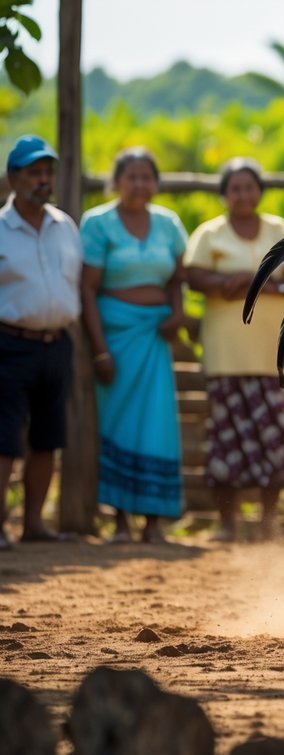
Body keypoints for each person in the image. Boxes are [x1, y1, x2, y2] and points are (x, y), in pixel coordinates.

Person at [182, 157, 284, 542]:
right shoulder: (209, 233)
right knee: (225, 438)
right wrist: (224, 280)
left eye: (249, 187)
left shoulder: (277, 229)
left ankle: (267, 522)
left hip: (270, 353)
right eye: (235, 188)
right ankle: (227, 523)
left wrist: (248, 283)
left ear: (259, 191)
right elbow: (193, 276)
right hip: (225, 352)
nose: (243, 194)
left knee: (273, 437)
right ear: (224, 194)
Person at [80, 147, 189, 544]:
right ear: (117, 181)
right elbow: (87, 290)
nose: (140, 184)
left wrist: (177, 313)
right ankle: (120, 521)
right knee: (117, 422)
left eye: (147, 177)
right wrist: (100, 350)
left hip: (155, 335)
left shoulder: (168, 224)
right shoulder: (98, 224)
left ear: (156, 182)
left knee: (157, 424)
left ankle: (153, 523)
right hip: (115, 336)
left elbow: (177, 277)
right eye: (132, 177)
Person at [0, 135, 83, 549]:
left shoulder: (65, 225)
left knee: (48, 437)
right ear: (13, 178)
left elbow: (78, 284)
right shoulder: (0, 229)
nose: (44, 179)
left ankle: (33, 523)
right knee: (3, 439)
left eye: (47, 171)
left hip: (57, 343)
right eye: (34, 172)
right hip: (9, 343)